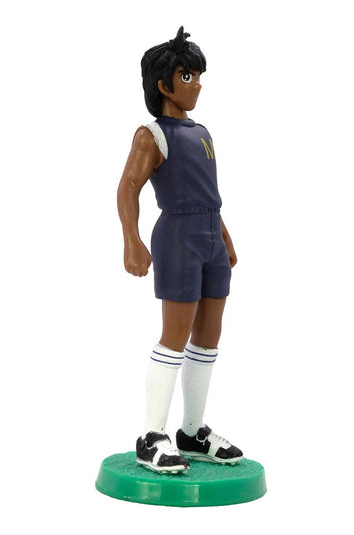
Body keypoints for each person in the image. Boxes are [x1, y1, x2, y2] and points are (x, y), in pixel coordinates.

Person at [117, 27, 243, 474]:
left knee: (208, 336)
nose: (197, 85)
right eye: (187, 76)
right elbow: (128, 187)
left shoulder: (203, 132)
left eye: (198, 76)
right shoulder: (151, 134)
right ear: (164, 85)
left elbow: (208, 192)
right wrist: (131, 240)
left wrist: (223, 234)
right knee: (175, 335)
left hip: (210, 236)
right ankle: (151, 436)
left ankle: (192, 431)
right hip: (178, 238)